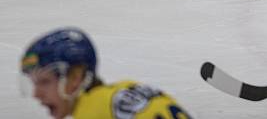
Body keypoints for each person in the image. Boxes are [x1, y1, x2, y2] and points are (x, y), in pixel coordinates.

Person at [20, 27, 193, 119]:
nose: (36, 94)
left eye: (44, 82)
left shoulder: (91, 113)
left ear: (75, 77)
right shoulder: (124, 88)